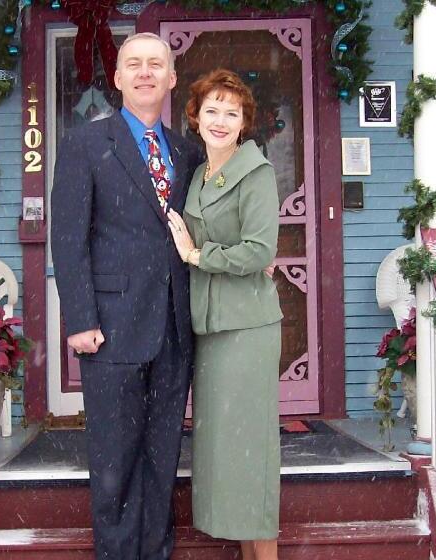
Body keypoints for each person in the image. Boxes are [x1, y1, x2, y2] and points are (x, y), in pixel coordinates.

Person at [50, 33, 202, 560]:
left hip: (174, 329)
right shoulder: (85, 144)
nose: (145, 72)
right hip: (111, 327)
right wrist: (79, 318)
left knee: (162, 460)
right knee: (114, 462)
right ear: (116, 78)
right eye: (133, 64)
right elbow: (68, 238)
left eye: (155, 64)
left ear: (171, 78)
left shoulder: (187, 151)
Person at [167, 69, 283, 560]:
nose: (219, 120)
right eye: (211, 110)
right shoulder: (199, 173)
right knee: (227, 451)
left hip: (247, 326)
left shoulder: (256, 172)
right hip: (210, 326)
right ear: (195, 117)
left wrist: (197, 255)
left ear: (243, 122)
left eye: (230, 113)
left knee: (250, 451)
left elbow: (259, 250)